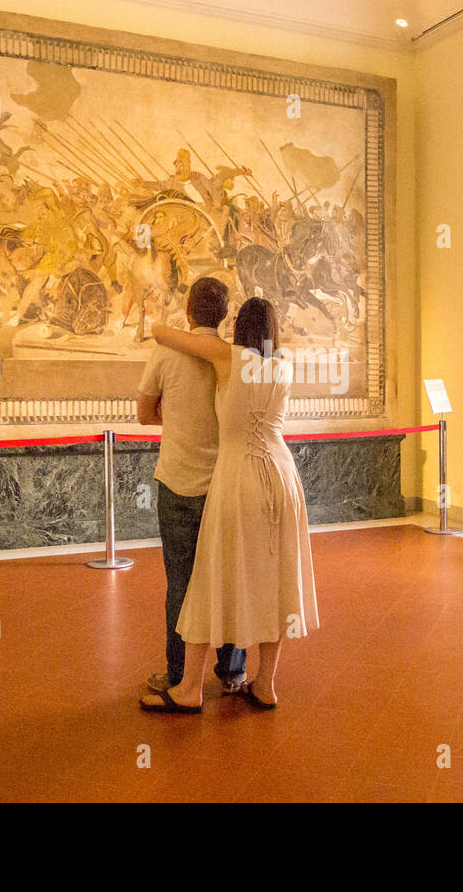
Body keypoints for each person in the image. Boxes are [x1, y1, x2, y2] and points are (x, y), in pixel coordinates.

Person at [140, 297, 318, 713]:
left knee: (209, 578)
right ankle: (265, 684)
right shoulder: (283, 365)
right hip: (282, 475)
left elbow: (162, 334)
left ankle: (188, 689)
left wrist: (182, 323)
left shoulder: (229, 357)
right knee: (276, 581)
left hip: (239, 476)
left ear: (238, 326)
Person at [136, 277, 247, 697]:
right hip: (225, 484)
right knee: (230, 580)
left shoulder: (164, 352)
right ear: (223, 315)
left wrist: (177, 416)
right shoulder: (234, 358)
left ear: (187, 309)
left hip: (178, 482)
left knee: (181, 583)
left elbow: (145, 414)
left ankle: (181, 674)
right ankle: (232, 670)